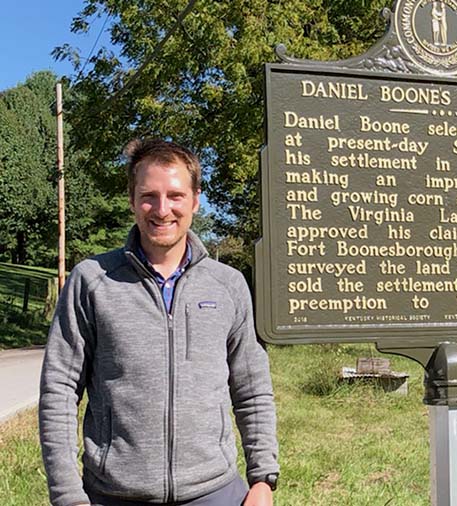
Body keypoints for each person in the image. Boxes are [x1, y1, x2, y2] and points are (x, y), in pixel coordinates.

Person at [39, 139, 279, 506]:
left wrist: (263, 479)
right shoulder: (91, 281)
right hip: (113, 494)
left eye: (176, 195)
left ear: (195, 200)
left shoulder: (229, 285)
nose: (162, 209)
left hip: (215, 492)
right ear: (133, 199)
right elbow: (58, 391)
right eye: (149, 195)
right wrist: (67, 495)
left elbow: (252, 386)